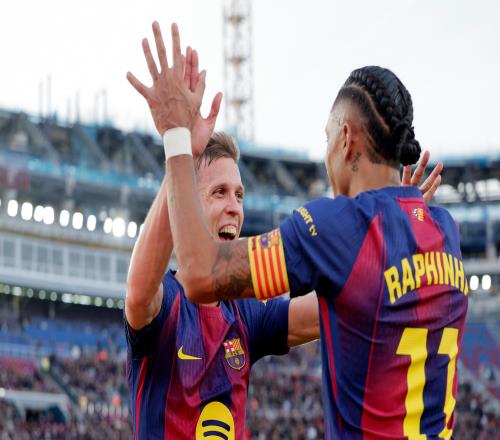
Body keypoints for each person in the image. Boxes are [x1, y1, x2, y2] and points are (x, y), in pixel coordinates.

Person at [127, 22, 465, 439]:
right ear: (186, 205)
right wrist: (180, 150)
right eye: (219, 192)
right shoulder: (167, 301)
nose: (235, 206)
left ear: (345, 139)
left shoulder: (245, 313)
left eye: (239, 194)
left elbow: (349, 297)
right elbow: (143, 293)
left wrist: (392, 235)